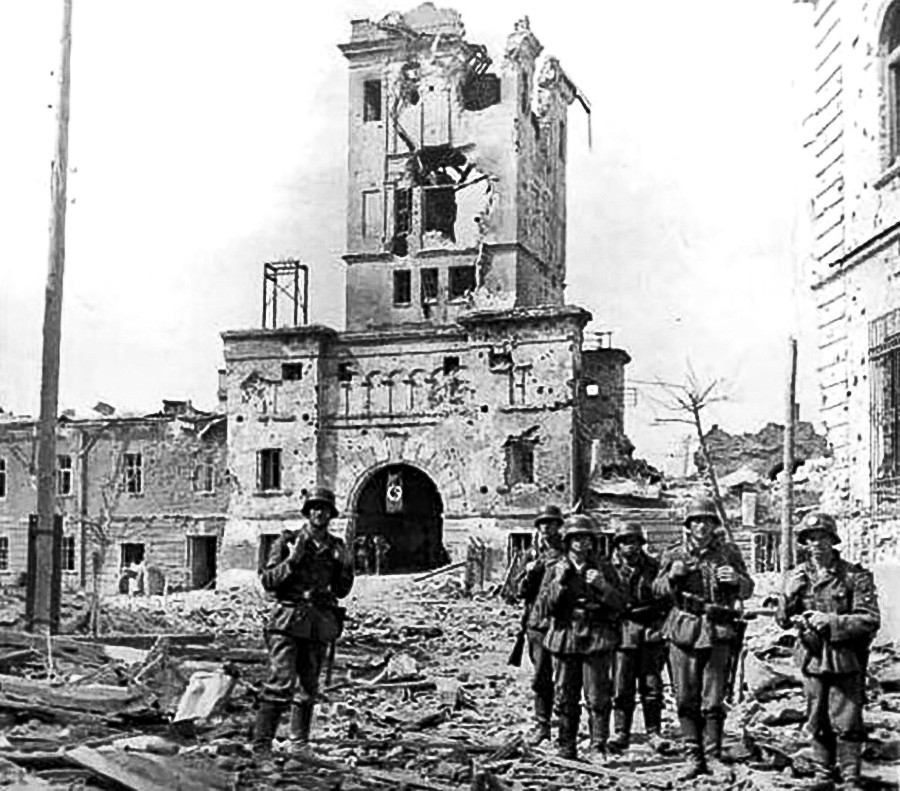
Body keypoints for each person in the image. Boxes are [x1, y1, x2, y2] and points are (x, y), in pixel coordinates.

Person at [776, 512, 880, 791]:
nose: (816, 544)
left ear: (832, 541)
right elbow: (783, 621)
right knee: (817, 716)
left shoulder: (853, 575)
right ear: (804, 544)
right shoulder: (798, 576)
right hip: (812, 657)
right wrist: (787, 597)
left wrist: (831, 621)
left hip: (845, 658)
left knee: (846, 720)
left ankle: (850, 778)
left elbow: (869, 619)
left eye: (822, 538)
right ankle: (823, 774)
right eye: (810, 539)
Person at [653, 496, 754, 779]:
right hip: (684, 628)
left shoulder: (729, 553)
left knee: (713, 699)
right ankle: (692, 755)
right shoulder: (674, 553)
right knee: (685, 696)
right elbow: (657, 589)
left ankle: (713, 755)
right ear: (688, 525)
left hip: (718, 629)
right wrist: (672, 577)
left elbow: (748, 589)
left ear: (714, 525)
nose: (702, 526)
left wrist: (736, 580)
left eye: (707, 521)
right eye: (696, 521)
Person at [253, 487, 354, 757]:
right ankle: (261, 746)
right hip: (286, 622)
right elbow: (268, 581)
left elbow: (342, 590)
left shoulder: (336, 547)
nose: (319, 513)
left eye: (324, 509)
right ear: (308, 513)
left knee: (309, 686)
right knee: (281, 682)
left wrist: (345, 567)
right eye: (314, 508)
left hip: (317, 624)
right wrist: (292, 561)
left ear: (331, 515)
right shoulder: (288, 541)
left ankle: (299, 744)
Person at [539, 514, 627, 761]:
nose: (581, 543)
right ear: (567, 541)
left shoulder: (604, 567)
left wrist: (602, 586)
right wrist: (559, 582)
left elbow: (621, 604)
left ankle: (598, 745)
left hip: (596, 636)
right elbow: (544, 607)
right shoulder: (555, 567)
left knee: (598, 696)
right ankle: (567, 745)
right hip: (566, 635)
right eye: (576, 538)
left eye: (586, 538)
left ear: (592, 541)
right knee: (565, 695)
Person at [607, 521, 670, 753]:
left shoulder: (654, 567)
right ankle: (621, 732)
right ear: (618, 546)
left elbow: (665, 600)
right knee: (622, 687)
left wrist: (662, 627)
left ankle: (654, 732)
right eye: (625, 542)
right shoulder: (609, 570)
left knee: (652, 686)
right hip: (622, 633)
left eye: (634, 542)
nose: (630, 547)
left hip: (650, 632)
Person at [514, 504, 566, 746]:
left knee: (567, 679)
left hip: (564, 624)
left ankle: (567, 728)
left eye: (551, 523)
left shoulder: (568, 552)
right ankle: (542, 725)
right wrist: (529, 574)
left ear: (559, 526)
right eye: (543, 524)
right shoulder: (530, 555)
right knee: (541, 677)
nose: (546, 528)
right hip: (538, 625)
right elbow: (515, 592)